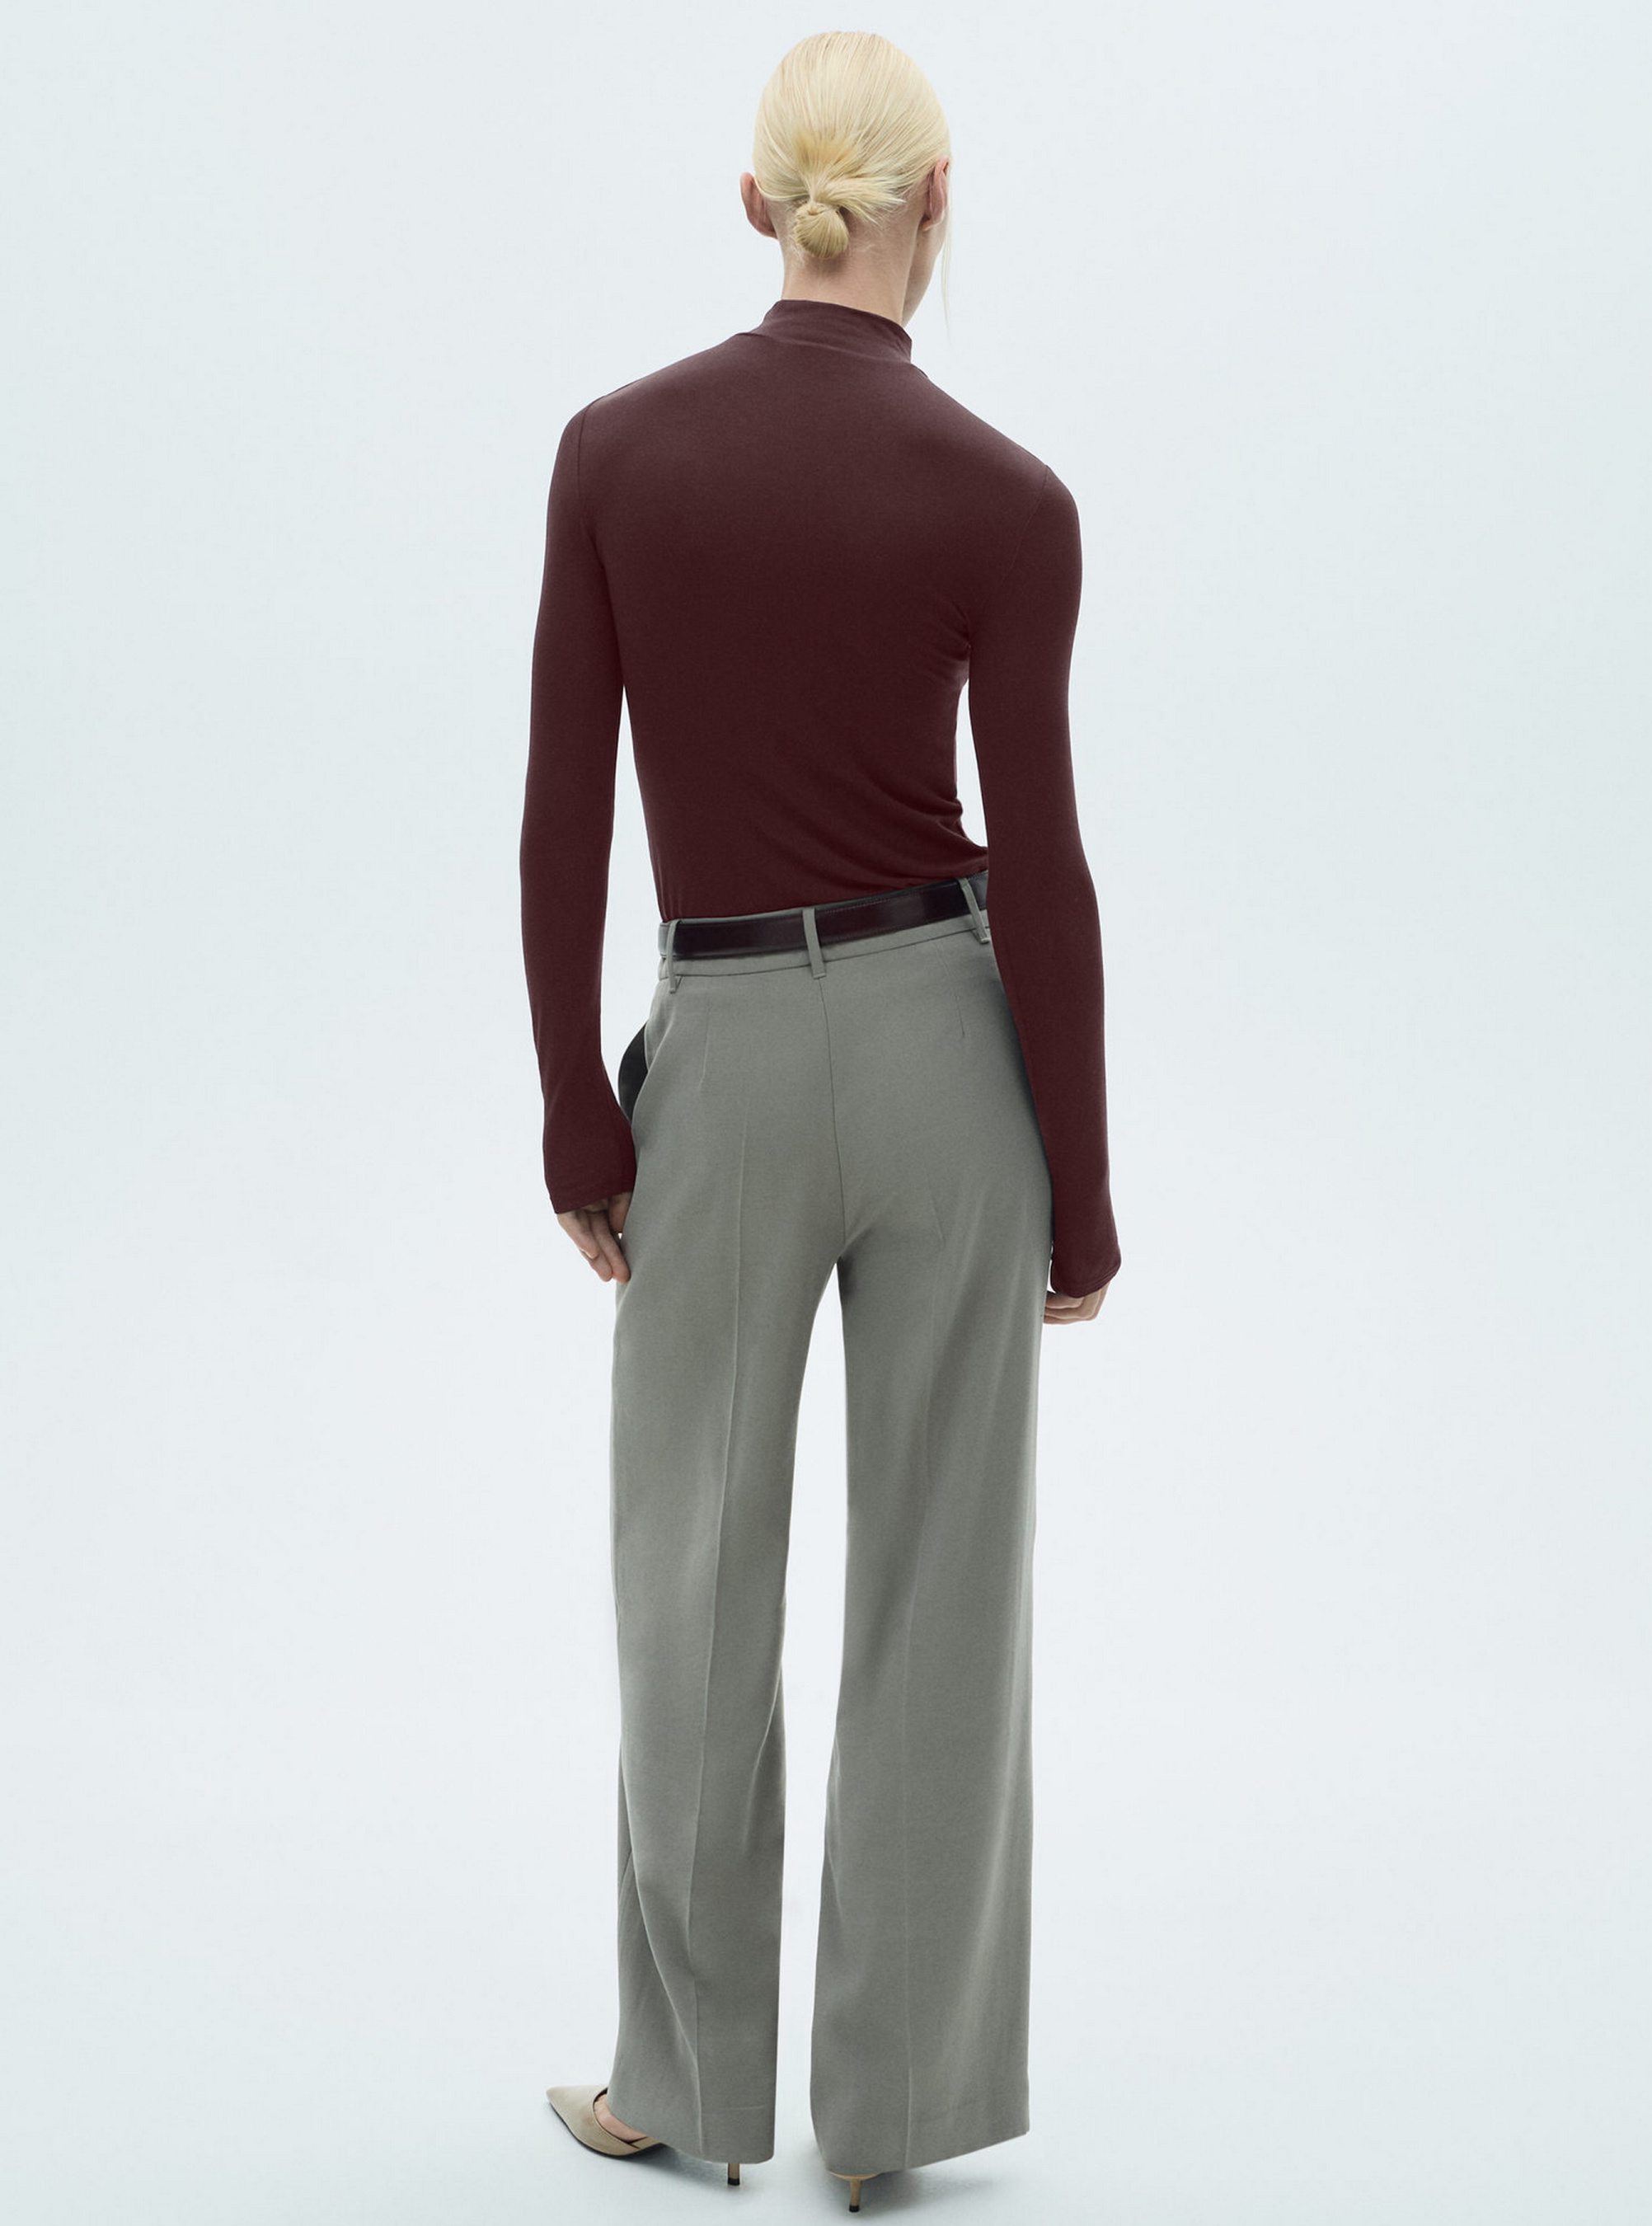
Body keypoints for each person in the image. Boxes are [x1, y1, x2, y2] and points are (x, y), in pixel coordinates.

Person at [525, 30, 1120, 2210]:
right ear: (939, 203)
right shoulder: (1008, 498)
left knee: (691, 1575)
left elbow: (559, 816)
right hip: (954, 1045)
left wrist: (576, 1117)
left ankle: (684, 2091)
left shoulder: (616, 454)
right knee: (943, 1585)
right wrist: (1082, 1189)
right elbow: (1043, 863)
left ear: (753, 203)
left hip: (730, 1062)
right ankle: (895, 2119)